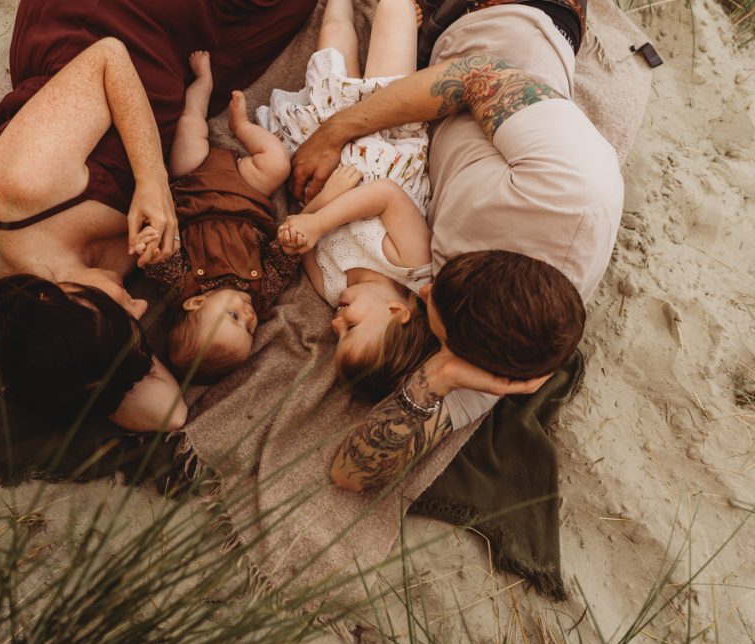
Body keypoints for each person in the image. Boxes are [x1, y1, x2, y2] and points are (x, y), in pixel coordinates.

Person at [287, 0, 623, 491]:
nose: (420, 291)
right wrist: (335, 131)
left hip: (424, 76)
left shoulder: (503, 345)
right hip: (507, 14)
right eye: (434, 294)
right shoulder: (570, 185)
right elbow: (474, 75)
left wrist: (440, 376)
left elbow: (349, 474)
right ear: (487, 260)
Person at [0, 0, 317, 432]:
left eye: (120, 313)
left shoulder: (19, 190)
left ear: (51, 297)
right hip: (175, 62)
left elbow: (107, 56)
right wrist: (99, 383)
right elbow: (171, 414)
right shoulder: (77, 312)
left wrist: (151, 180)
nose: (139, 304)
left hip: (115, 18)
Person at [261, 0, 438, 397]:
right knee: (395, 14)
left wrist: (314, 214)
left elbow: (301, 233)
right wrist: (319, 222)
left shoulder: (330, 287)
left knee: (332, 45)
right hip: (391, 131)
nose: (336, 325)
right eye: (351, 330)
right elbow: (386, 196)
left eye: (337, 337)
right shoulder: (412, 266)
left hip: (326, 130)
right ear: (397, 312)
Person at [134, 52, 298, 383]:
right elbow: (281, 265)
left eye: (234, 317)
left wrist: (151, 248)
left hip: (193, 184)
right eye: (250, 327)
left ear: (195, 303)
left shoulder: (182, 286)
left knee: (190, 127)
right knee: (278, 163)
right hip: (245, 191)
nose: (250, 316)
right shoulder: (261, 293)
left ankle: (203, 84)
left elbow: (161, 262)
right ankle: (243, 127)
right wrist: (290, 246)